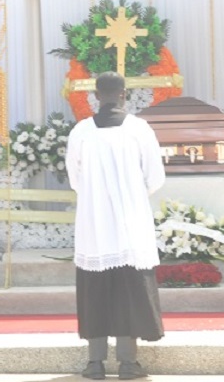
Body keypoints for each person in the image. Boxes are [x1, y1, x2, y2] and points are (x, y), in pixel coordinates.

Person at [66, 72, 166, 380]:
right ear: (124, 95)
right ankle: (127, 363)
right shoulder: (139, 129)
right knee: (128, 291)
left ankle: (95, 364)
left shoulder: (81, 131)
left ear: (97, 95)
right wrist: (131, 197)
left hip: (94, 226)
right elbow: (155, 177)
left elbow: (75, 179)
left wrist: (99, 200)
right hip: (130, 224)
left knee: (95, 290)